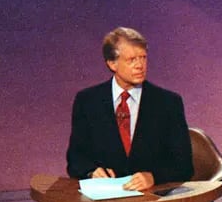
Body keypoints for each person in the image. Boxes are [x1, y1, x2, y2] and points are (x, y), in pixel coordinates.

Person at [66, 27, 193, 190]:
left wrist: (153, 177)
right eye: (132, 59)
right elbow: (76, 158)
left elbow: (184, 165)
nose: (140, 65)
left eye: (143, 58)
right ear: (112, 63)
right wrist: (91, 172)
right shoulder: (87, 101)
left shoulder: (168, 103)